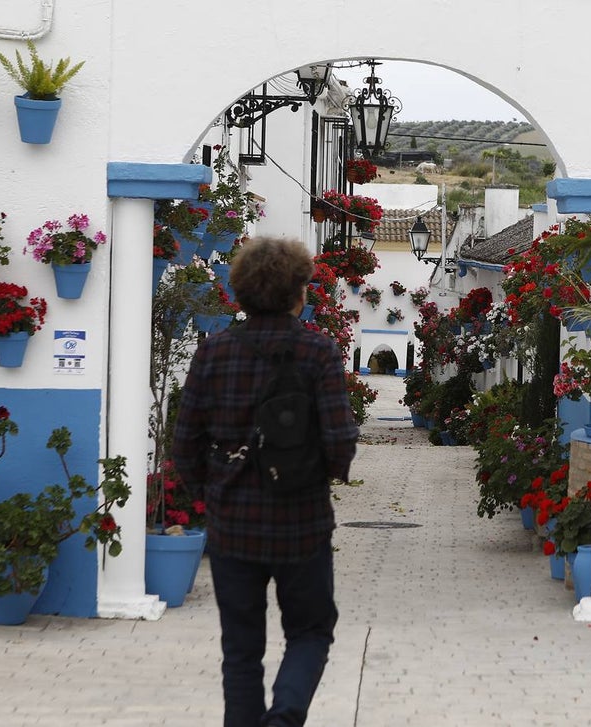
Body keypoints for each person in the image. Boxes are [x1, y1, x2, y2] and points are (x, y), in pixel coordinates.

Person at [172, 236, 358, 727]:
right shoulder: (318, 352)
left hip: (233, 525)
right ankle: (286, 715)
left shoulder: (213, 354)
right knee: (311, 631)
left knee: (240, 650)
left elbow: (184, 444)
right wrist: (320, 480)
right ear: (299, 293)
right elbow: (341, 440)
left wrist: (211, 496)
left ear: (241, 293)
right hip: (302, 523)